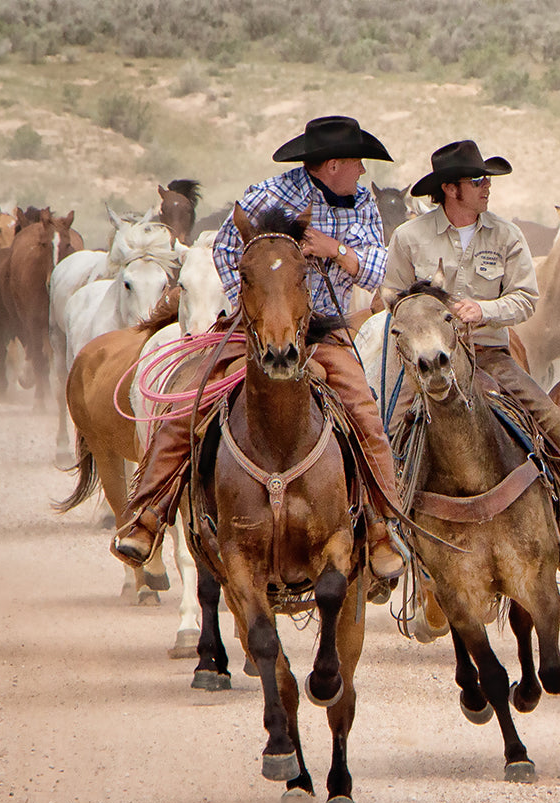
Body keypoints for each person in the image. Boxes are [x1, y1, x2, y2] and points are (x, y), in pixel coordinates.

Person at [112, 115, 407, 581]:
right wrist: (256, 310)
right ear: (333, 164)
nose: (363, 174)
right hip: (254, 328)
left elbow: (377, 267)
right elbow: (227, 250)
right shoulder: (266, 195)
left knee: (365, 413)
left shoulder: (362, 202)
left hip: (321, 330)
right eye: (357, 163)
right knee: (190, 401)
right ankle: (150, 513)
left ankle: (381, 527)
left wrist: (335, 251)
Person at [382, 139, 560, 558]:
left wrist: (484, 310)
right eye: (478, 180)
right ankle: (382, 532)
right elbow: (393, 299)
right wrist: (430, 321)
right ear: (451, 189)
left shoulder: (506, 235)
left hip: (489, 355)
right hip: (425, 363)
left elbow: (526, 298)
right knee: (389, 431)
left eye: (487, 179)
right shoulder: (409, 238)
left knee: (554, 421)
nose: (487, 187)